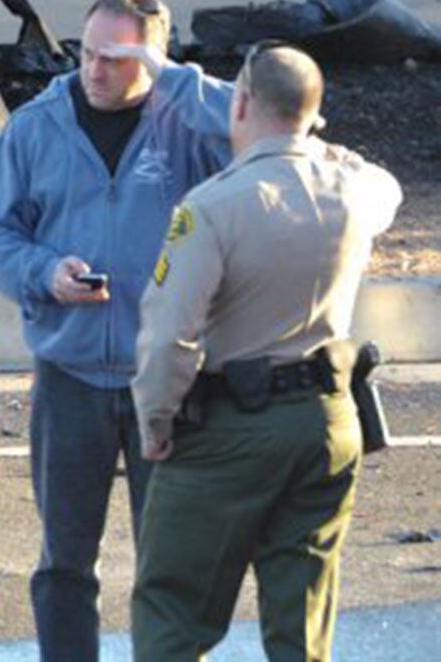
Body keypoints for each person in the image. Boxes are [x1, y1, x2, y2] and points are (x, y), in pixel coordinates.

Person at [0, 0, 235, 660]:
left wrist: (175, 78)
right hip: (69, 377)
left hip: (165, 380)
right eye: (88, 50)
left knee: (169, 566)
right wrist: (44, 273)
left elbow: (272, 128)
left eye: (117, 55)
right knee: (63, 563)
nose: (94, 67)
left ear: (154, 57)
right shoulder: (37, 125)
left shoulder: (189, 120)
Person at [131, 45, 401, 661]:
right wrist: (319, 141)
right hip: (328, 422)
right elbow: (384, 184)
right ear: (315, 114)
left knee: (172, 613)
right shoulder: (356, 190)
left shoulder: (212, 206)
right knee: (302, 617)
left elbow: (168, 332)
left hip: (230, 430)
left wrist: (156, 421)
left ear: (242, 103)